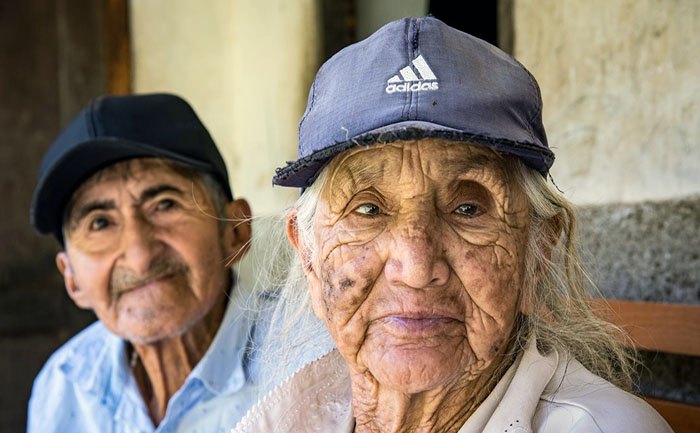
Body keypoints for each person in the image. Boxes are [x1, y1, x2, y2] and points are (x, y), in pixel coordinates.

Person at [232, 17, 672, 433]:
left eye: (468, 209)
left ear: (538, 249)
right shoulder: (290, 412)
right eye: (367, 210)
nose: (416, 267)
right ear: (308, 254)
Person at [27, 94, 259, 433]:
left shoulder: (310, 367)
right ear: (72, 279)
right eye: (100, 223)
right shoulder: (64, 385)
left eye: (165, 205)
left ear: (235, 231)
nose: (140, 256)